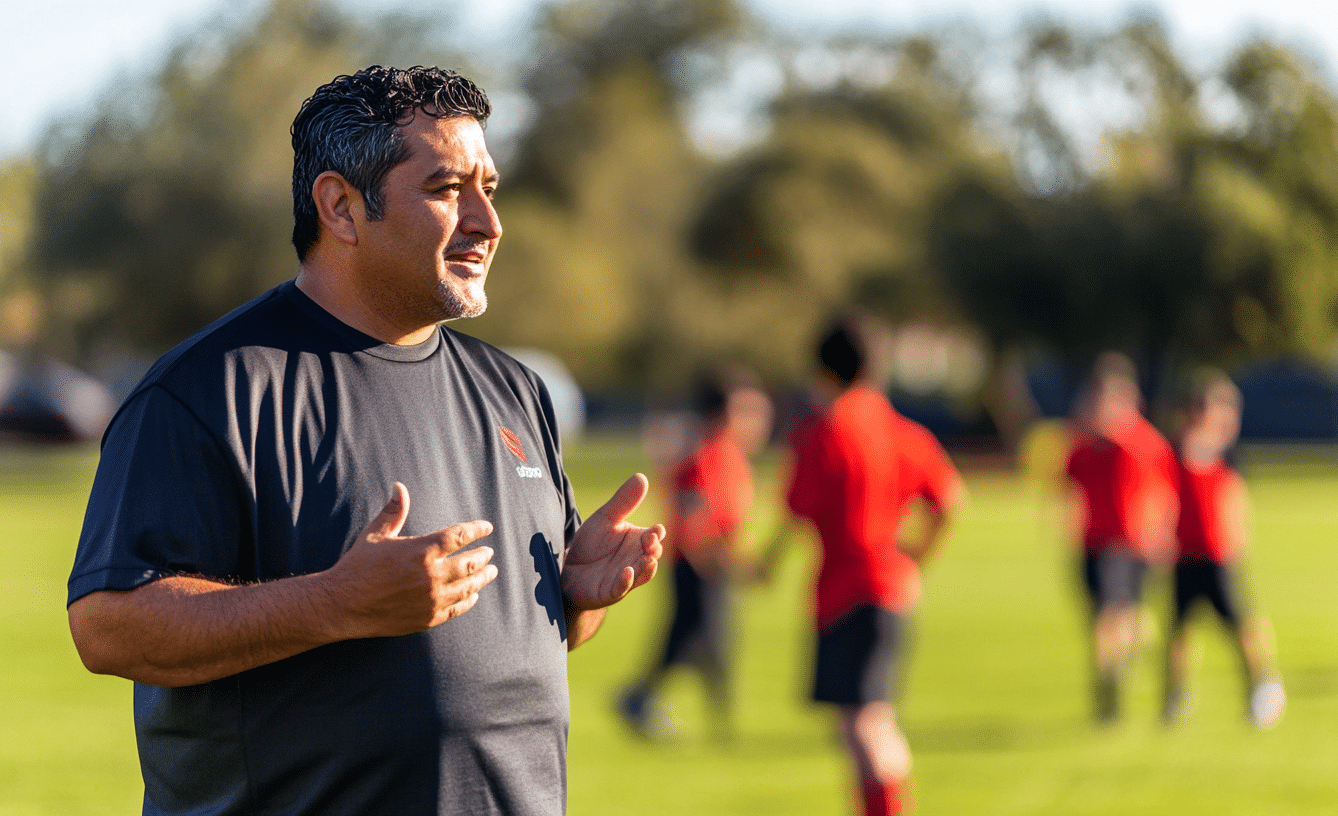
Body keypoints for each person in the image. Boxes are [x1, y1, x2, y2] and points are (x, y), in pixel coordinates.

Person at [65, 65, 665, 816]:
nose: (487, 221)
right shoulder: (210, 389)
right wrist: (334, 602)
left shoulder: (515, 390)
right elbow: (109, 627)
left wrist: (571, 599)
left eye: (489, 188)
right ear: (341, 207)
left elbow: (511, 645)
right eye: (448, 190)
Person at [760, 317, 962, 816]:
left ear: (821, 368)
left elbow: (795, 511)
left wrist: (765, 563)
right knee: (877, 719)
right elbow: (950, 499)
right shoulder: (901, 429)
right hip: (894, 587)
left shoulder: (824, 430)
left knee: (862, 724)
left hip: (848, 590)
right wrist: (917, 554)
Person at [617, 370, 772, 740]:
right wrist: (729, 563)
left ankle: (652, 702)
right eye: (744, 412)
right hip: (697, 566)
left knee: (701, 642)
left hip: (712, 565)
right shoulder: (706, 457)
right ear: (722, 414)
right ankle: (653, 702)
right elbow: (693, 520)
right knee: (697, 641)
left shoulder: (730, 457)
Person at [1163, 369, 1284, 728]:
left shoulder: (1228, 455)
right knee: (1180, 629)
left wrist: (1239, 541)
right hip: (1185, 554)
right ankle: (1176, 694)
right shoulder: (1177, 448)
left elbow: (1236, 502)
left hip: (1219, 555)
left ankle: (1262, 685)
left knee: (1242, 626)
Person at [1063, 352, 1177, 723]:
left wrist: (1162, 536)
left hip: (1131, 546)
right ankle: (1123, 657)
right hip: (1093, 544)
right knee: (1106, 619)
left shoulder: (1143, 443)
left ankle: (1108, 686)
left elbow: (1166, 493)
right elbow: (1069, 486)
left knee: (1111, 620)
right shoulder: (1084, 445)